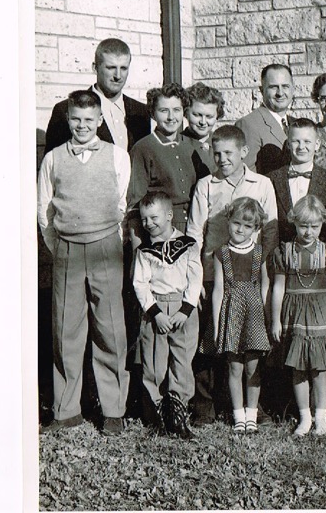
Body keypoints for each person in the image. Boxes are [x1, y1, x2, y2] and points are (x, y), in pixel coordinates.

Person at [37, 90, 130, 435]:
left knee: (110, 328)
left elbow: (122, 205)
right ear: (68, 119)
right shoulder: (53, 159)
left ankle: (114, 410)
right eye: (76, 119)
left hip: (105, 246)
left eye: (89, 120)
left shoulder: (117, 156)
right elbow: (44, 211)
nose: (82, 125)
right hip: (67, 249)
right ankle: (66, 410)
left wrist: (108, 239)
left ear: (100, 121)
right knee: (66, 330)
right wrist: (61, 246)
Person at [186, 124, 278, 425]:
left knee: (250, 343)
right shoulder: (206, 185)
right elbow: (194, 234)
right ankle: (205, 405)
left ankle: (253, 408)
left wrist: (264, 272)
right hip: (214, 272)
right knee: (212, 339)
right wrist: (196, 276)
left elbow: (270, 232)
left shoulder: (262, 184)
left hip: (249, 275)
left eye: (228, 153)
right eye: (217, 153)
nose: (222, 159)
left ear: (243, 152)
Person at [270, 196, 326, 437]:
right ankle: (305, 417)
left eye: (314, 226)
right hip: (293, 312)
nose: (308, 232)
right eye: (303, 226)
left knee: (319, 368)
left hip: (320, 311)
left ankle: (321, 417)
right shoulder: (284, 252)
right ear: (294, 223)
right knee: (298, 368)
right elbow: (278, 287)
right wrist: (276, 319)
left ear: (322, 224)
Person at [133, 191, 202, 438]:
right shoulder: (144, 250)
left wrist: (186, 310)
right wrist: (155, 313)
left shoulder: (188, 245)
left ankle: (178, 416)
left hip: (182, 309)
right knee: (155, 364)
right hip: (156, 310)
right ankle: (158, 416)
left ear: (170, 215)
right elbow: (140, 283)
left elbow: (195, 279)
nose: (148, 223)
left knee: (182, 362)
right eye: (144, 219)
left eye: (154, 217)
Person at [212, 197, 271, 435]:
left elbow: (265, 287)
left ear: (256, 228)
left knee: (253, 368)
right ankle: (238, 416)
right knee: (234, 368)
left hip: (254, 315)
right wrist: (217, 325)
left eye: (247, 226)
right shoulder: (221, 253)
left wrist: (266, 318)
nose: (240, 230)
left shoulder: (259, 253)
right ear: (228, 221)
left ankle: (251, 416)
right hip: (231, 314)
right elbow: (218, 290)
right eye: (236, 223)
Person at [128, 83, 209, 241]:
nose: (171, 117)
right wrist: (138, 250)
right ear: (153, 114)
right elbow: (135, 206)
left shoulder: (194, 146)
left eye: (177, 110)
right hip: (161, 232)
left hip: (197, 228)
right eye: (164, 111)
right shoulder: (143, 148)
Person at [44, 38, 151, 154]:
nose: (118, 76)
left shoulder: (141, 112)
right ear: (95, 68)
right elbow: (54, 161)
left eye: (123, 68)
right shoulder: (65, 109)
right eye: (111, 68)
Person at [267, 118, 326, 246]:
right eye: (296, 141)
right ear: (288, 144)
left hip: (320, 253)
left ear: (317, 144)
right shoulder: (271, 179)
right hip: (280, 253)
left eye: (307, 141)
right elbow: (265, 225)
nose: (301, 147)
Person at [236, 63, 298, 175]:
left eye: (285, 86)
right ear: (261, 90)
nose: (280, 93)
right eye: (273, 87)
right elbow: (246, 175)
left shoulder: (296, 124)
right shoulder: (248, 124)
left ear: (293, 88)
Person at [184, 81, 226, 172]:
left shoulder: (224, 143)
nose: (203, 122)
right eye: (197, 115)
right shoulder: (177, 144)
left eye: (209, 116)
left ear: (217, 116)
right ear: (186, 113)